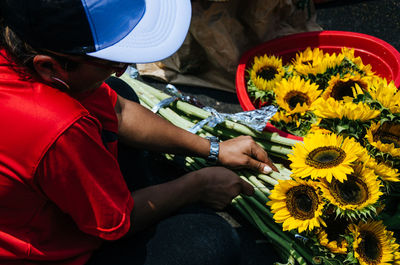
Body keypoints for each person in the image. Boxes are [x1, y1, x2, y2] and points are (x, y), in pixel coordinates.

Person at [0, 0, 277, 264]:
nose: (121, 71)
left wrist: (213, 148)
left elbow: (118, 109)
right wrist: (198, 185)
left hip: (28, 193)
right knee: (210, 240)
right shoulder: (61, 129)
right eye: (112, 63)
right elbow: (116, 222)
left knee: (121, 92)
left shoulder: (19, 40)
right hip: (36, 251)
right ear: (48, 66)